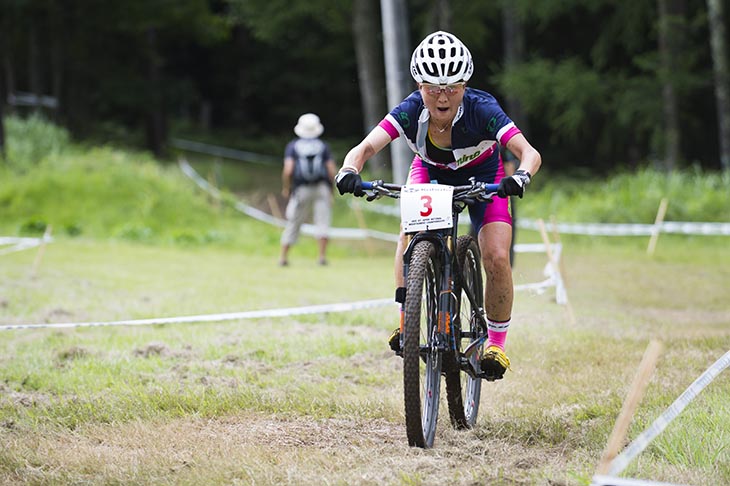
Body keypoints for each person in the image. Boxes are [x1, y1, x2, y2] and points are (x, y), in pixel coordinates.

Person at [335, 31, 541, 381]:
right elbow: (365, 147)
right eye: (433, 88)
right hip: (431, 172)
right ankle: (407, 322)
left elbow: (529, 153)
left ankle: (496, 343)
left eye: (452, 88)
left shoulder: (483, 109)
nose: (442, 97)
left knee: (496, 255)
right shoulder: (410, 110)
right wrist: (349, 170)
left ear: (465, 85)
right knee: (408, 235)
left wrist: (520, 176)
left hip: (484, 174)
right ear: (419, 85)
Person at [279, 113, 336, 266]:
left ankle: (283, 257)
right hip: (321, 188)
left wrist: (287, 188)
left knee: (293, 221)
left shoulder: (293, 146)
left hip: (301, 189)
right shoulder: (323, 146)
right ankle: (322, 257)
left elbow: (288, 170)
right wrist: (332, 189)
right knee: (323, 221)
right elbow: (330, 169)